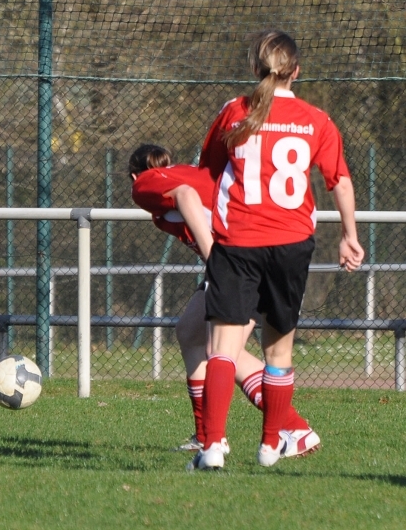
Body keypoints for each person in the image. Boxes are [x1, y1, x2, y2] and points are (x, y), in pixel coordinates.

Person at [191, 30, 364, 469]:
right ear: (297, 70)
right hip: (291, 244)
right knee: (278, 351)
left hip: (239, 242)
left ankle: (212, 447)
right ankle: (271, 446)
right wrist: (350, 235)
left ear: (255, 68)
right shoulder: (315, 119)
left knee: (223, 350)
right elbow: (339, 180)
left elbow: (207, 172)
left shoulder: (235, 111)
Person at [129, 144, 319, 458]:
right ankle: (207, 436)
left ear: (135, 174)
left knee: (223, 349)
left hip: (246, 258)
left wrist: (215, 260)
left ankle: (294, 427)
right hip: (261, 252)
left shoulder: (145, 183)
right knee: (191, 331)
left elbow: (186, 195)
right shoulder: (184, 171)